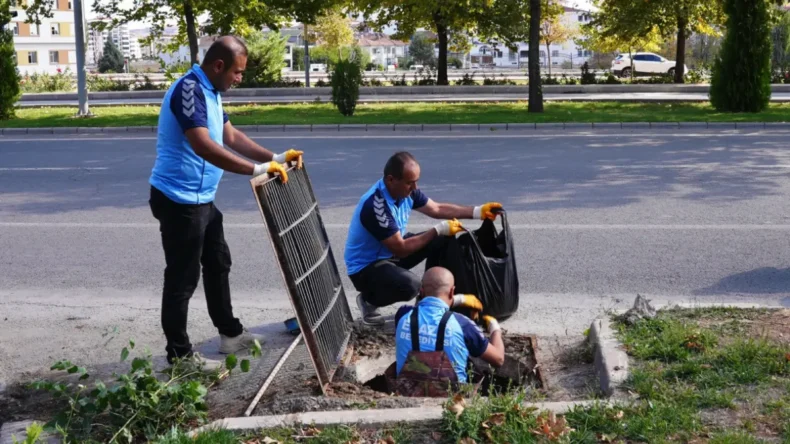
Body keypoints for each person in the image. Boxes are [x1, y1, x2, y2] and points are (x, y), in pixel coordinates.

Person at [148, 36, 304, 369]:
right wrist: (258, 169)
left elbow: (231, 136)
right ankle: (180, 356)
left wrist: (274, 157)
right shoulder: (189, 90)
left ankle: (230, 334)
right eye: (237, 72)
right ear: (219, 66)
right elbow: (204, 146)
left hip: (202, 200)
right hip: (178, 201)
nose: (239, 79)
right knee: (182, 279)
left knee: (218, 264)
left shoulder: (212, 92)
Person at [344, 151, 503, 325]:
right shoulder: (376, 206)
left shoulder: (406, 191)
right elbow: (401, 249)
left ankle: (432, 301)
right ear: (391, 180)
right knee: (410, 285)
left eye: (416, 182)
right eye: (409, 183)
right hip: (366, 268)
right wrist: (437, 230)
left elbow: (436, 208)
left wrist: (477, 212)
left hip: (388, 253)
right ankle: (369, 300)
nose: (415, 188)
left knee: (444, 239)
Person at [390, 267, 505, 396]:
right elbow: (498, 359)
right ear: (452, 292)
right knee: (469, 359)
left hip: (406, 394)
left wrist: (455, 299)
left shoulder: (403, 314)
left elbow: (420, 307)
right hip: (453, 398)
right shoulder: (463, 324)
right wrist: (495, 329)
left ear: (421, 291)